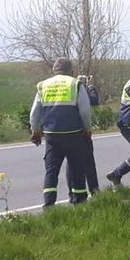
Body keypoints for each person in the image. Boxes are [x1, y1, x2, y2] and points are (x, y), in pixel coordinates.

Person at [29, 58, 92, 207]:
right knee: (77, 168)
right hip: (74, 133)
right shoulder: (75, 84)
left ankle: (49, 204)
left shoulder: (43, 85)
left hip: (52, 134)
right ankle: (80, 202)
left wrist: (35, 130)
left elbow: (34, 112)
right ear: (70, 71)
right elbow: (85, 111)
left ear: (54, 70)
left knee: (51, 170)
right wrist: (87, 129)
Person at [66, 74, 99, 203]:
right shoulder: (80, 89)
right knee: (89, 162)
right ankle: (94, 191)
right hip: (80, 130)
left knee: (71, 164)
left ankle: (72, 194)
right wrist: (89, 87)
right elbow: (94, 101)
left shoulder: (69, 89)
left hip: (67, 130)